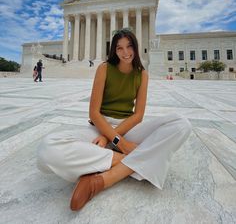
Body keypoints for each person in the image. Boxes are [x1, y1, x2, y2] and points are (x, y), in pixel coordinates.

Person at [37, 28, 191, 211]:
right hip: (99, 127)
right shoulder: (104, 68)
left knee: (182, 124)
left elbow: (138, 115)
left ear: (135, 47)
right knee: (47, 148)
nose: (125, 53)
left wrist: (113, 137)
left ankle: (103, 179)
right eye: (119, 48)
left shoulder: (142, 74)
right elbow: (94, 113)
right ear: (114, 50)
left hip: (128, 128)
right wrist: (113, 138)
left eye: (129, 46)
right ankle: (135, 160)